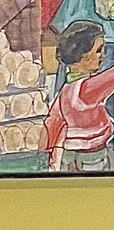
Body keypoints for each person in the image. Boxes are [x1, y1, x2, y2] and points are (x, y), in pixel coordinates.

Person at [44, 20, 114, 172]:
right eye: (98, 50)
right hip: (91, 155)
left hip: (69, 155)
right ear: (83, 56)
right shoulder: (87, 89)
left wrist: (54, 158)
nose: (102, 55)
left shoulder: (66, 91)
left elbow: (53, 123)